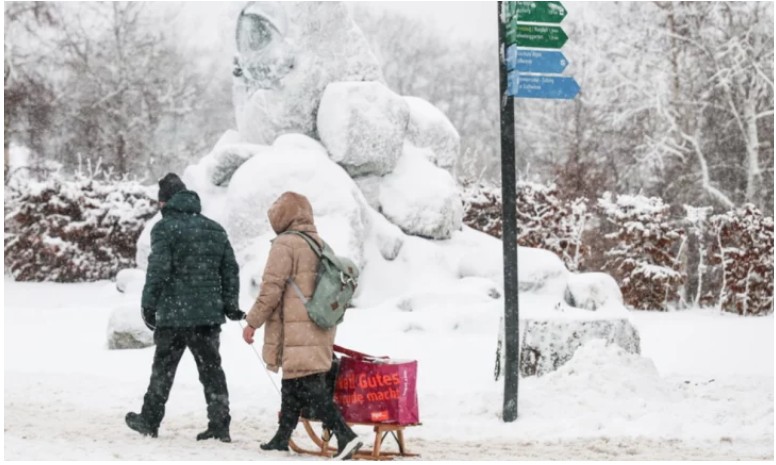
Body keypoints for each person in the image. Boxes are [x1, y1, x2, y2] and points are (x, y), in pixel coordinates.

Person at [242, 191, 363, 460]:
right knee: (293, 382)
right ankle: (281, 437)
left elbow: (270, 290)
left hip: (299, 327)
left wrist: (252, 322)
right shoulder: (318, 243)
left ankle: (346, 436)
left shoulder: (285, 244)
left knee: (310, 386)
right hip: (317, 324)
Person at [126, 173, 244, 442]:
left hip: (174, 315)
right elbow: (230, 270)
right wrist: (230, 305)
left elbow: (158, 270)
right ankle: (219, 424)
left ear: (164, 202)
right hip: (207, 317)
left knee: (163, 370)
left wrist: (148, 305)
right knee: (212, 370)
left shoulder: (164, 228)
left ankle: (149, 420)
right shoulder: (215, 229)